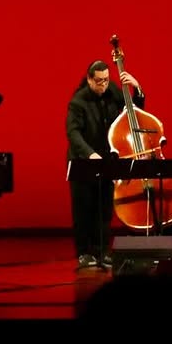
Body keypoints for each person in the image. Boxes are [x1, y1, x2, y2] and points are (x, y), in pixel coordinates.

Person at [66, 59, 144, 270]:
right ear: (90, 79)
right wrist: (90, 154)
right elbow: (73, 133)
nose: (103, 85)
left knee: (104, 209)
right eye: (99, 81)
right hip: (83, 161)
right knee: (83, 209)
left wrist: (136, 88)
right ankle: (84, 253)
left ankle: (102, 251)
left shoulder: (113, 91)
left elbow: (133, 113)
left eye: (106, 80)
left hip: (107, 159)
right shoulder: (78, 101)